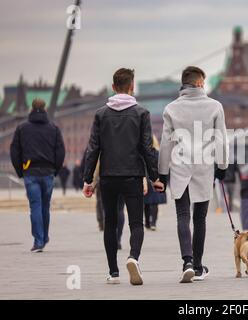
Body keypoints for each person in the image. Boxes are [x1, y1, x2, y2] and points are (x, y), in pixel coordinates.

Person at [82, 68, 160, 286]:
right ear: (132, 86)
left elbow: (93, 149)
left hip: (108, 177)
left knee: (111, 223)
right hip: (133, 176)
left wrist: (88, 179)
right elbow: (147, 148)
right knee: (136, 222)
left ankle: (113, 272)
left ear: (114, 87)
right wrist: (155, 177)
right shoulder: (141, 113)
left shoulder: (100, 114)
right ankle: (133, 257)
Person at [157, 66, 229, 283]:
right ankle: (198, 267)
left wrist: (162, 174)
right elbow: (221, 140)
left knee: (182, 216)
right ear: (199, 83)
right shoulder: (215, 107)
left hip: (180, 168)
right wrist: (223, 166)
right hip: (204, 168)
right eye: (203, 82)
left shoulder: (171, 109)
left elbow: (165, 144)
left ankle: (186, 261)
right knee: (200, 219)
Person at [10, 98, 65, 252]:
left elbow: (14, 151)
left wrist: (20, 171)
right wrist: (56, 169)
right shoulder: (53, 128)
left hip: (30, 172)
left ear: (31, 109)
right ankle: (44, 237)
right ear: (45, 109)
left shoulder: (22, 128)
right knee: (45, 207)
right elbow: (60, 151)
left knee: (35, 206)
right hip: (48, 172)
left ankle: (39, 240)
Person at [92, 160, 125, 249]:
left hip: (107, 178)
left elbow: (98, 164)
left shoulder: (105, 145)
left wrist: (93, 182)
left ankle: (112, 240)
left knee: (107, 209)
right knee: (120, 209)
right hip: (124, 178)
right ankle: (118, 239)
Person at [144, 135, 166, 231]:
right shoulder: (158, 153)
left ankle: (148, 223)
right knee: (154, 203)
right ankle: (153, 223)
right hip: (156, 179)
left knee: (146, 203)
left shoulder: (144, 153)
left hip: (146, 179)